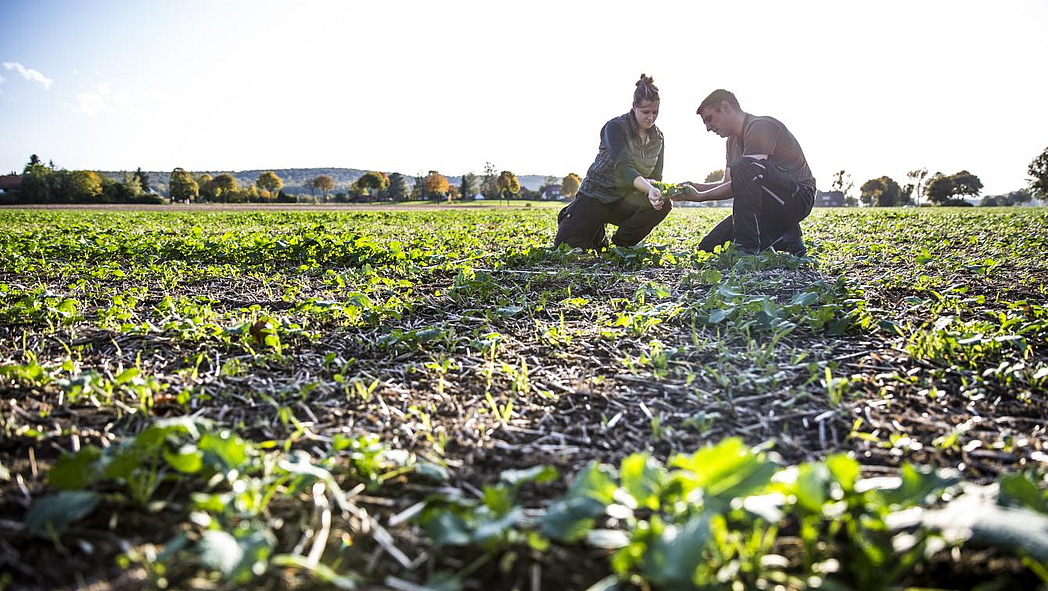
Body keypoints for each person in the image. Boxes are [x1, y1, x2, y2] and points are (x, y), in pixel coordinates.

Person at [674, 89, 814, 256]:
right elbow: (729, 183)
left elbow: (748, 174)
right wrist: (694, 187)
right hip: (767, 204)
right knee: (709, 247)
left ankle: (747, 249)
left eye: (709, 119)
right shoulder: (731, 142)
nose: (708, 128)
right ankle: (784, 237)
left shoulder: (760, 127)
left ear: (725, 107)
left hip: (797, 197)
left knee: (744, 165)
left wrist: (699, 197)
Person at [554, 74, 671, 250]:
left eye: (655, 112)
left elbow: (656, 176)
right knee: (566, 247)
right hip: (596, 196)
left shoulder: (658, 138)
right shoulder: (615, 127)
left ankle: (622, 244)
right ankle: (579, 219)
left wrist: (657, 190)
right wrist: (649, 188)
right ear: (634, 107)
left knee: (664, 204)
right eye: (646, 112)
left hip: (624, 201)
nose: (651, 117)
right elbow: (625, 169)